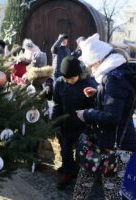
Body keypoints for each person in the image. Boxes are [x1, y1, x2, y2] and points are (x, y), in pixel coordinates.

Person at [74, 33, 136, 200]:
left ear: (98, 60)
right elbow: (121, 102)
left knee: (108, 191)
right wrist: (98, 94)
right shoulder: (117, 73)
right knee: (89, 184)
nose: (90, 69)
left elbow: (112, 117)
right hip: (107, 142)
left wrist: (86, 114)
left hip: (115, 145)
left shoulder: (113, 79)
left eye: (90, 65)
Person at [52, 56, 96, 190]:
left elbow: (93, 108)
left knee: (80, 154)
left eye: (72, 79)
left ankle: (78, 174)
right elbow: (57, 104)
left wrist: (89, 128)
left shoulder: (89, 84)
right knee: (65, 151)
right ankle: (67, 173)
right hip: (65, 125)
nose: (69, 82)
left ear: (79, 74)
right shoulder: (60, 83)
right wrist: (55, 122)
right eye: (66, 79)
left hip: (83, 127)